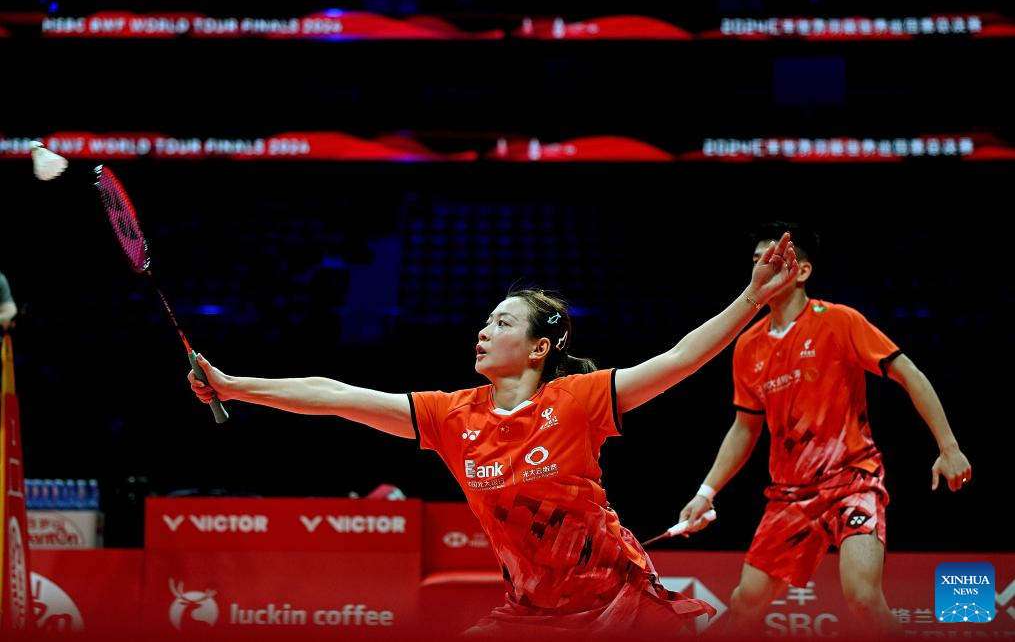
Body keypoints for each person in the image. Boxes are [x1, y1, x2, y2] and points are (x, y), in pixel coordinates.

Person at [190, 234, 800, 638]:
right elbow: (337, 395)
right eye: (486, 320)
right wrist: (236, 387)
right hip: (530, 615)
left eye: (502, 321)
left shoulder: (578, 400)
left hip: (622, 608)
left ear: (539, 348)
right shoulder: (450, 416)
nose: (483, 330)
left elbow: (681, 358)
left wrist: (752, 296)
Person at [677, 222, 971, 638]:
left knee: (863, 598)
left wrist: (948, 446)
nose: (762, 268)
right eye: (757, 261)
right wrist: (705, 493)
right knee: (745, 602)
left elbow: (909, 373)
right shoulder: (748, 345)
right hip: (791, 495)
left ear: (801, 271)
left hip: (853, 479)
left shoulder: (839, 321)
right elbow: (744, 428)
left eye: (774, 260)